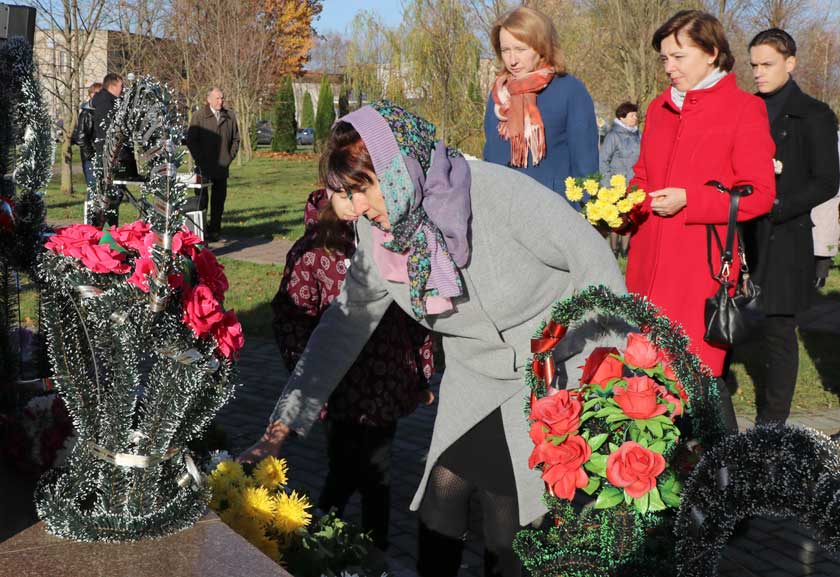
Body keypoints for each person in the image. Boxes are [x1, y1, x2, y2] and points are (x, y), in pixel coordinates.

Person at [239, 101, 626, 577]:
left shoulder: (493, 193)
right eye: (348, 193)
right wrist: (279, 430)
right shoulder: (382, 233)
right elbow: (344, 324)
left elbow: (592, 259)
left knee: (509, 521)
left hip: (553, 367)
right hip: (475, 376)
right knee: (440, 504)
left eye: (364, 189)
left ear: (398, 167)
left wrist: (617, 373)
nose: (356, 207)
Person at [625, 10, 776, 430]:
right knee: (643, 390)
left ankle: (724, 481)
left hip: (700, 272)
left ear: (711, 53)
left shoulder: (744, 109)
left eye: (678, 56)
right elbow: (643, 176)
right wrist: (621, 208)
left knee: (698, 386)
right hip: (646, 267)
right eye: (664, 59)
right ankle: (650, 486)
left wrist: (690, 201)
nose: (669, 67)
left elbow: (759, 194)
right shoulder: (658, 108)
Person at [271, 188, 435, 551]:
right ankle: (317, 545)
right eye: (344, 198)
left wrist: (422, 369)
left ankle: (374, 553)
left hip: (384, 379)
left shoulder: (385, 240)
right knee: (348, 471)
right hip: (341, 384)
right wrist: (307, 377)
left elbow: (414, 310)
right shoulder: (311, 252)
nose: (355, 208)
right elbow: (293, 316)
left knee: (376, 472)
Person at [739, 29, 840, 425]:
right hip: (743, 230)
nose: (759, 73)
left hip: (787, 232)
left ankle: (771, 425)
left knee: (779, 330)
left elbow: (827, 180)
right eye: (753, 66)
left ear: (790, 63)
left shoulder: (813, 114)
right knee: (732, 321)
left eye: (767, 64)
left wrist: (780, 205)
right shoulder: (745, 109)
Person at [482, 6, 598, 203]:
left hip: (554, 212)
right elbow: (490, 158)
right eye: (505, 50)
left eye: (520, 49)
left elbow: (585, 166)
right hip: (502, 212)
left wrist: (587, 213)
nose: (512, 60)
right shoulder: (499, 94)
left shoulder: (570, 90)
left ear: (541, 47)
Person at [186, 87, 240, 243]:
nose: (220, 101)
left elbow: (236, 139)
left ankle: (215, 231)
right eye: (217, 98)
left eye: (222, 98)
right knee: (201, 201)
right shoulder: (199, 116)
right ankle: (200, 233)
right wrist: (200, 160)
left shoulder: (229, 116)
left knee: (219, 201)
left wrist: (229, 157)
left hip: (222, 167)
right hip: (203, 166)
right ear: (208, 99)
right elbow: (192, 141)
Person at [600, 101, 641, 257]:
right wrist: (607, 183)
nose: (635, 118)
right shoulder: (613, 136)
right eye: (631, 115)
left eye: (635, 115)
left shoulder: (639, 136)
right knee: (616, 218)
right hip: (616, 183)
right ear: (622, 117)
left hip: (634, 184)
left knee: (630, 218)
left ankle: (625, 251)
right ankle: (613, 250)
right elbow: (603, 160)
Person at [90, 73, 131, 225]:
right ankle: (108, 227)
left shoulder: (106, 101)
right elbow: (112, 129)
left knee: (111, 195)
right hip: (111, 154)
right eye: (121, 86)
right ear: (113, 86)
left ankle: (109, 226)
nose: (123, 89)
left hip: (111, 152)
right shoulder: (107, 103)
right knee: (111, 195)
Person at [811, 128, 840, 289]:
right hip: (820, 192)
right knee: (820, 235)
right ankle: (816, 274)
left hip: (832, 194)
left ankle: (820, 276)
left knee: (827, 236)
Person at [73, 82, 101, 191]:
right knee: (93, 187)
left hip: (102, 155)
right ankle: (91, 208)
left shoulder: (102, 112)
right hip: (90, 157)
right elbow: (81, 137)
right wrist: (91, 154)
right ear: (90, 95)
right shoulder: (86, 114)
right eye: (95, 93)